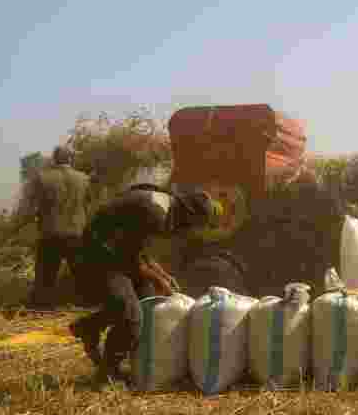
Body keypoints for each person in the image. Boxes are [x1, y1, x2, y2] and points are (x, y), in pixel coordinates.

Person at [68, 184, 221, 382]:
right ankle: (107, 374)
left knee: (147, 301)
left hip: (116, 250)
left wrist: (163, 274)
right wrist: (159, 280)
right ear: (190, 216)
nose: (191, 232)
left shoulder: (166, 208)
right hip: (99, 253)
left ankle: (89, 326)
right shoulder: (155, 213)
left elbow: (139, 250)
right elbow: (129, 259)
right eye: (195, 226)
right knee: (132, 316)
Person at [14, 146, 92, 309]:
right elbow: (87, 204)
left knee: (46, 274)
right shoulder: (84, 179)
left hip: (51, 232)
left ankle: (43, 306)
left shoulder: (42, 177)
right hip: (76, 233)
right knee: (81, 273)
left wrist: (19, 225)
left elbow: (30, 207)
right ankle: (85, 303)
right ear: (70, 159)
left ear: (54, 159)